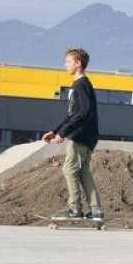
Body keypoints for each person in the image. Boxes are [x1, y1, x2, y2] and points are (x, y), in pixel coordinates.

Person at [42, 47, 102, 220]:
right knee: (83, 171)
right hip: (87, 135)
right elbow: (72, 114)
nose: (65, 65)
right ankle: (96, 209)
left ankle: (75, 209)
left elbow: (84, 112)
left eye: (68, 61)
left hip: (80, 135)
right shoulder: (82, 84)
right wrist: (55, 131)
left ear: (78, 63)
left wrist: (65, 132)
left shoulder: (81, 84)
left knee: (69, 169)